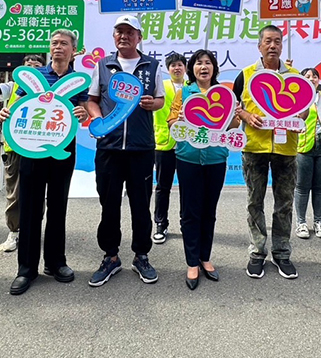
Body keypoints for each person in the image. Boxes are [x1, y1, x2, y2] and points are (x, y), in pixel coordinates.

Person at [2, 32, 89, 295]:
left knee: (58, 205)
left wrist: (83, 113)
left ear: (74, 50)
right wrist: (6, 111)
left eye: (64, 44)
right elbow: (15, 106)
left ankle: (55, 262)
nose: (58, 48)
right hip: (30, 147)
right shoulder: (34, 76)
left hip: (63, 148)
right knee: (29, 207)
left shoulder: (78, 81)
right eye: (54, 44)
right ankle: (26, 269)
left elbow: (83, 111)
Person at [86, 15, 165, 286]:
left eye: (130, 32)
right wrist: (98, 119)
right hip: (108, 147)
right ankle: (110, 257)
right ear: (114, 36)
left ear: (139, 37)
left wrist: (152, 104)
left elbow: (160, 99)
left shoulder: (152, 66)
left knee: (141, 205)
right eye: (119, 31)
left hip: (141, 148)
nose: (124, 36)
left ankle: (141, 255)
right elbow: (92, 100)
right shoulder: (103, 65)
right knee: (108, 204)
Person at [234, 24, 305, 279]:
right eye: (268, 41)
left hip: (286, 149)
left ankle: (282, 253)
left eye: (277, 41)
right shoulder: (246, 74)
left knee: (284, 203)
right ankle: (257, 251)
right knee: (255, 201)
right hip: (254, 147)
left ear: (282, 45)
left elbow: (305, 110)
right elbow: (234, 106)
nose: (272, 45)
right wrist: (246, 114)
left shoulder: (295, 76)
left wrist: (298, 115)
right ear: (260, 46)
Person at [167, 50, 240, 290]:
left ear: (215, 69)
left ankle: (205, 257)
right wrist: (181, 119)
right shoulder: (183, 93)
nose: (203, 67)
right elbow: (171, 123)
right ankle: (191, 261)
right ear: (192, 69)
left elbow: (234, 125)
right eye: (198, 63)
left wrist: (234, 114)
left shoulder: (226, 94)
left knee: (209, 211)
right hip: (188, 159)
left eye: (208, 63)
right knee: (190, 212)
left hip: (216, 160)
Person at [0, 53, 45, 252]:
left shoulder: (47, 89)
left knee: (37, 191)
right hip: (14, 147)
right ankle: (14, 231)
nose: (31, 67)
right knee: (14, 192)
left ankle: (32, 229)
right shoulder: (12, 85)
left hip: (39, 146)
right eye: (28, 64)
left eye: (36, 64)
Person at [152, 52, 187, 244]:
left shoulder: (192, 88)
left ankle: (186, 224)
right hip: (164, 144)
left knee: (187, 188)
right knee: (162, 187)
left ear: (185, 67)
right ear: (168, 69)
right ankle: (160, 224)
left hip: (187, 144)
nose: (177, 68)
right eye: (173, 65)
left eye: (180, 64)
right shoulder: (161, 87)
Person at [293, 67, 321, 240]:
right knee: (302, 187)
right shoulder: (297, 96)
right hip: (303, 147)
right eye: (307, 76)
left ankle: (319, 222)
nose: (312, 78)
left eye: (315, 76)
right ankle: (301, 223)